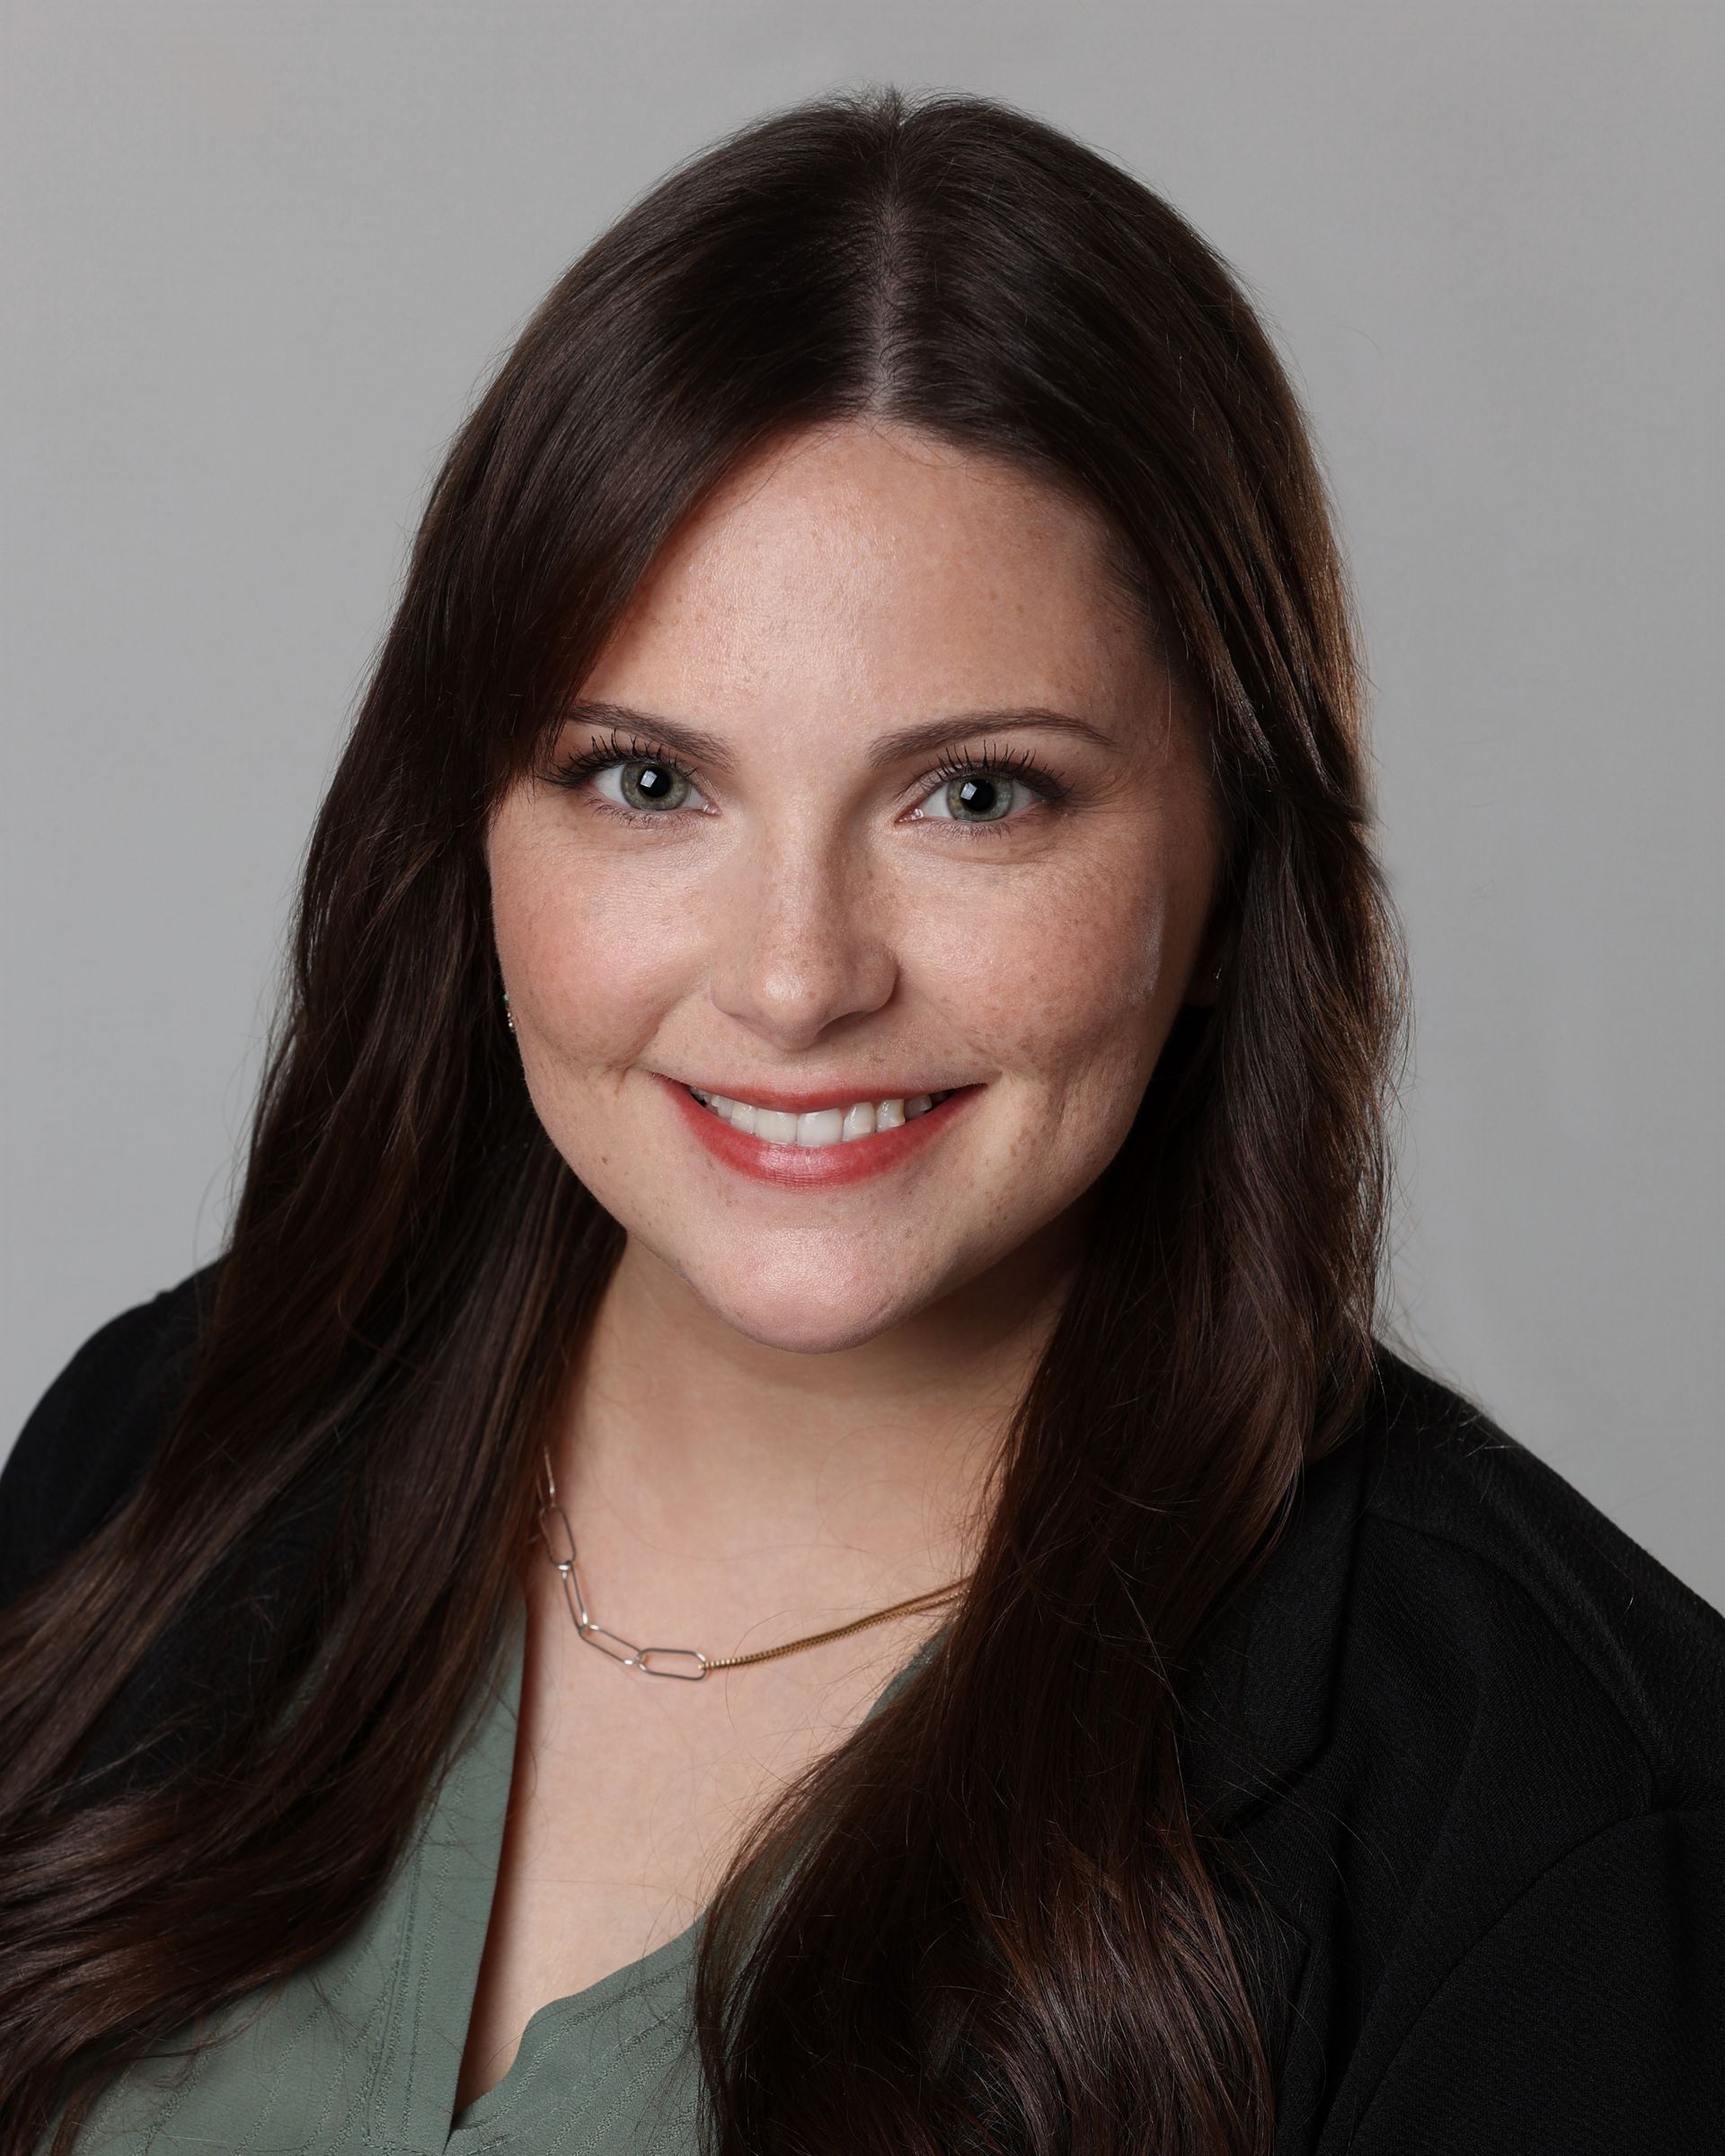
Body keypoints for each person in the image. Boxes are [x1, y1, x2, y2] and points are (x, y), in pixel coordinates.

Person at [1, 83, 1720, 2156]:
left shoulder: (1557, 1814)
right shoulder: (160, 1449)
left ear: (1231, 864)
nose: (802, 977)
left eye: (977, 795)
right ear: (467, 833)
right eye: (648, 783)